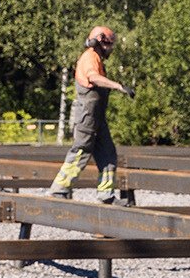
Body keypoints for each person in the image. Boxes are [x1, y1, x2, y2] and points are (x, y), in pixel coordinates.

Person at [48, 26, 132, 203]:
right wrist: (118, 86)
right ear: (102, 42)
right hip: (88, 115)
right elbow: (93, 78)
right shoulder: (90, 57)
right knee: (81, 150)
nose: (111, 49)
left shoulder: (97, 58)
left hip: (97, 117)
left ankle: (106, 195)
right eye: (110, 45)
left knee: (108, 155)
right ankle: (59, 189)